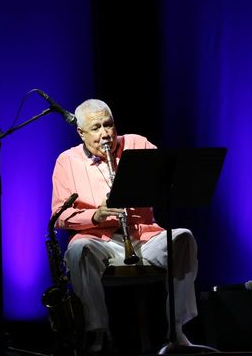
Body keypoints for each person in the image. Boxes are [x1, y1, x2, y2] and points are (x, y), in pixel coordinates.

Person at [51, 99, 198, 354]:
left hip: (144, 236)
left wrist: (139, 189)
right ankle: (97, 332)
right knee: (78, 251)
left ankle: (177, 329)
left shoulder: (138, 144)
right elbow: (60, 217)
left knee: (183, 238)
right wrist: (96, 215)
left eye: (109, 124)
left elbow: (167, 183)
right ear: (81, 133)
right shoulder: (67, 161)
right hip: (98, 240)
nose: (105, 134)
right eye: (96, 128)